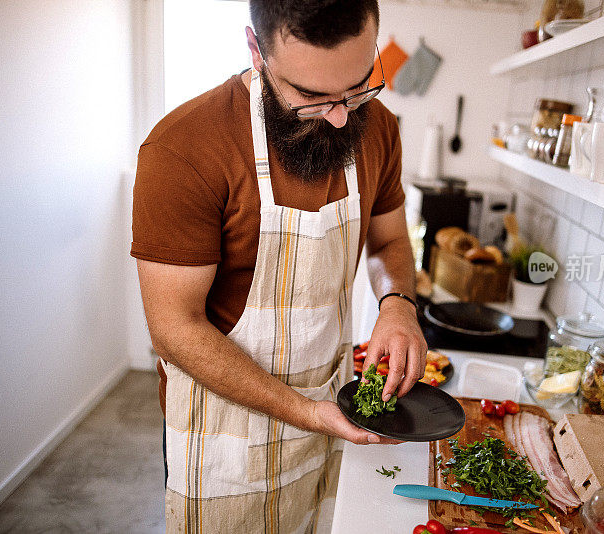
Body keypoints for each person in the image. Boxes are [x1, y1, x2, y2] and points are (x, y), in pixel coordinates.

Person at [131, 0, 427, 531]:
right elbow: (174, 328)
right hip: (223, 434)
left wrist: (399, 304)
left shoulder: (378, 128)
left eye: (359, 85)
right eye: (311, 96)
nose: (341, 116)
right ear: (256, 51)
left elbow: (389, 243)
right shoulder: (183, 149)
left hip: (332, 418)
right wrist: (307, 412)